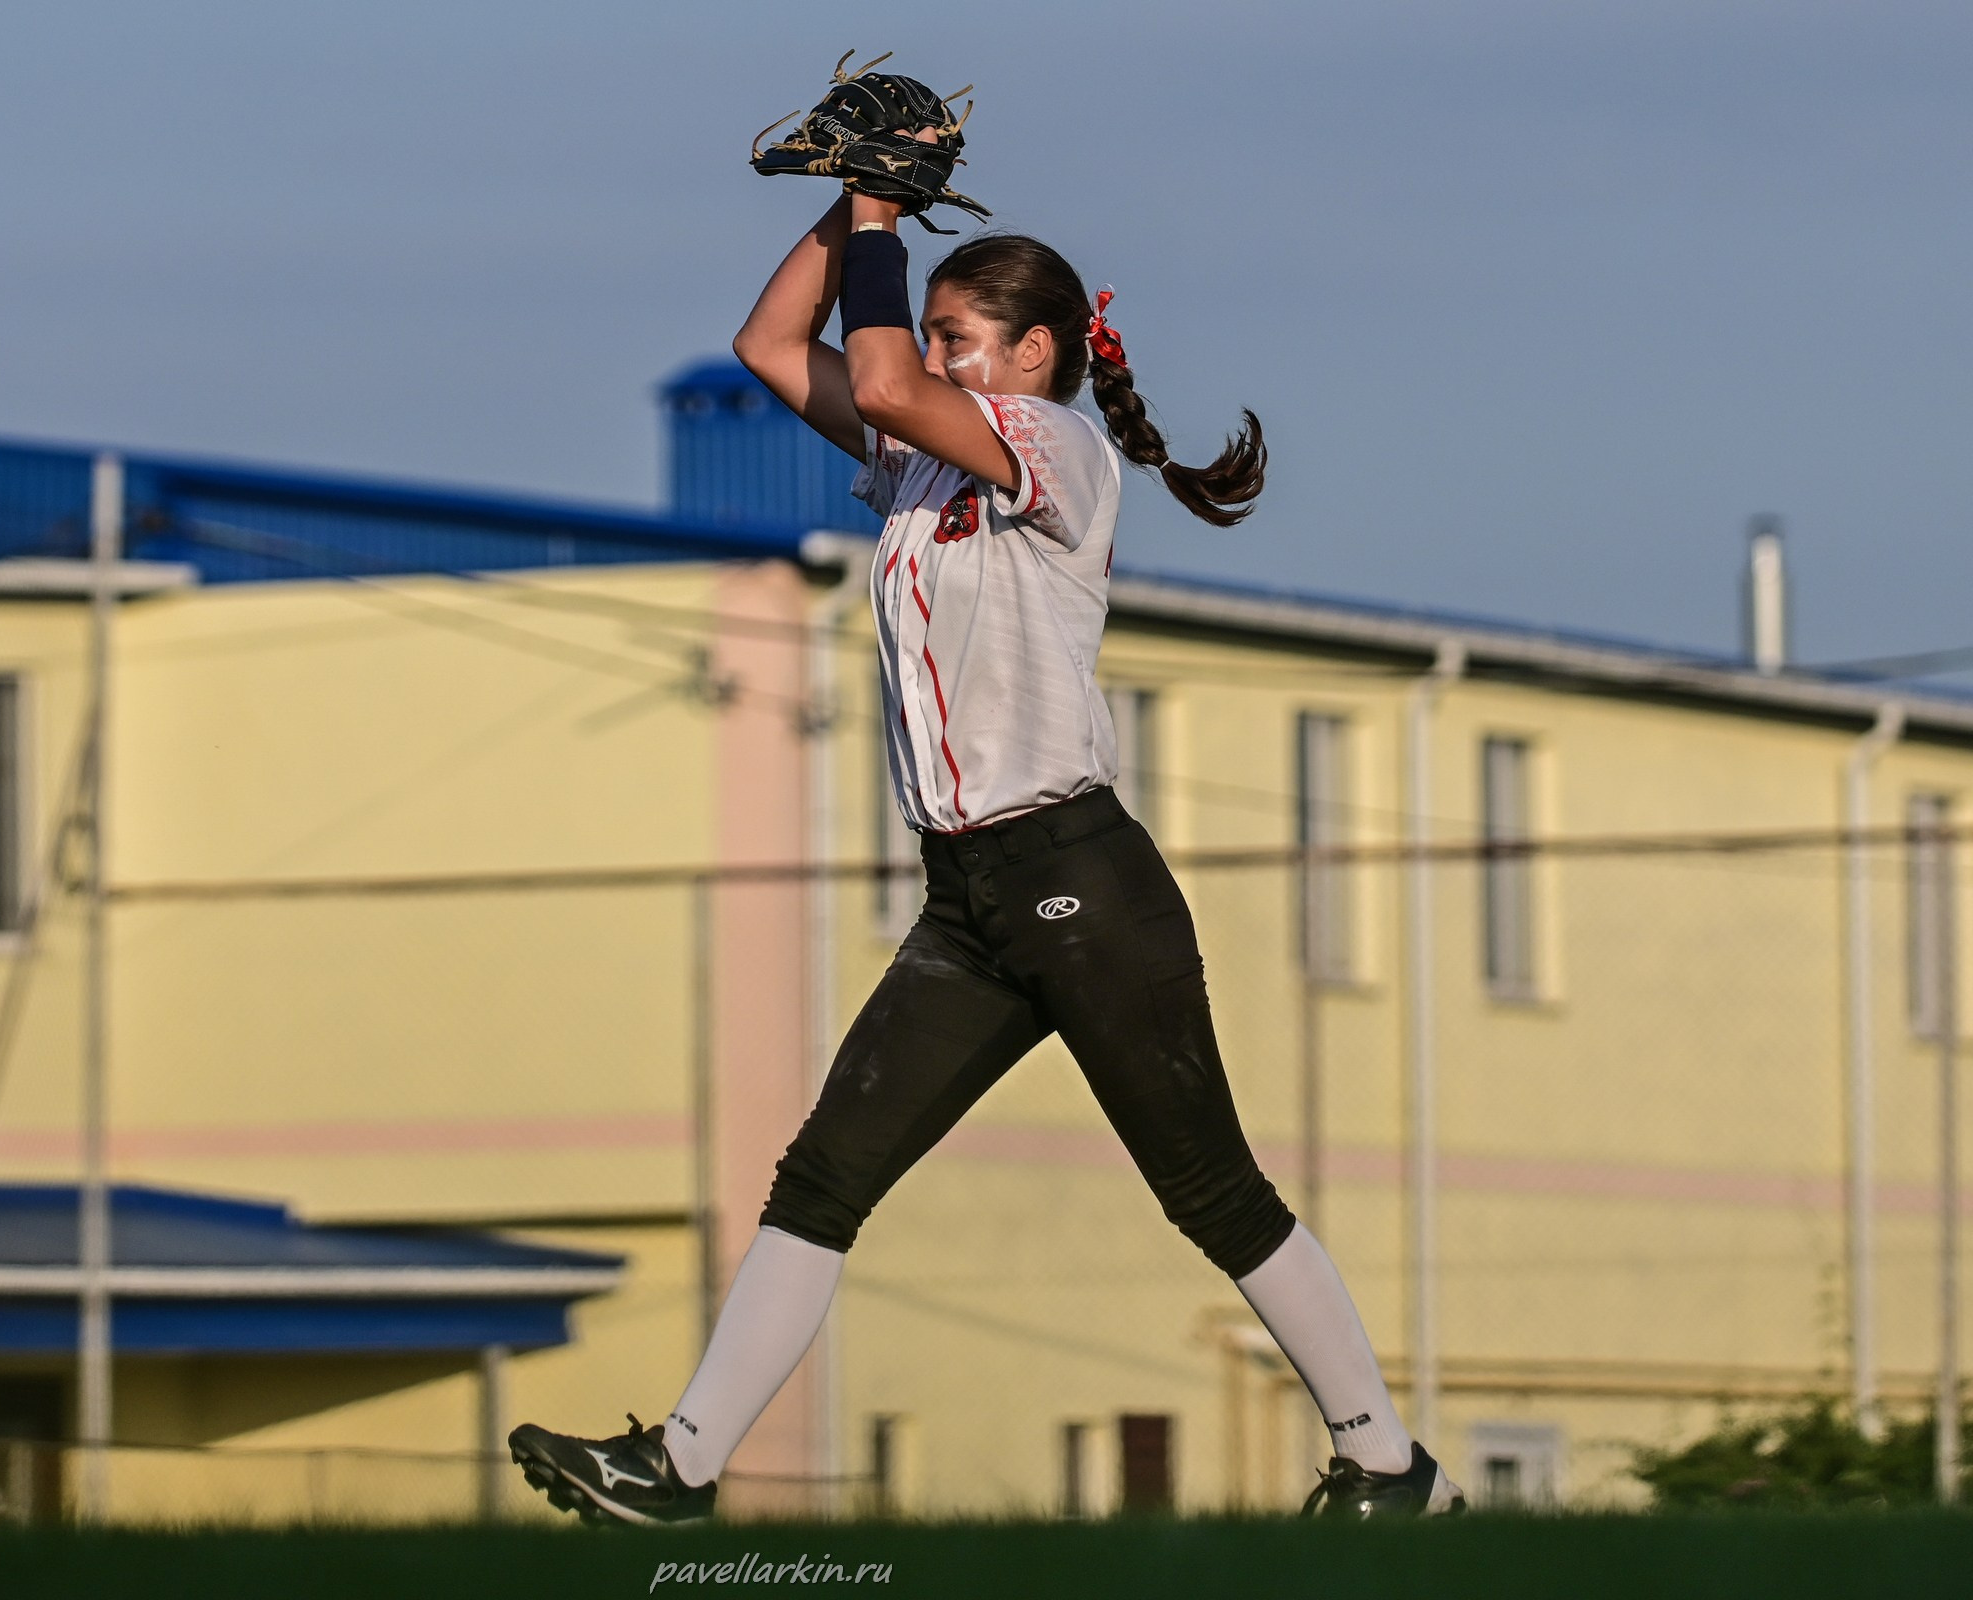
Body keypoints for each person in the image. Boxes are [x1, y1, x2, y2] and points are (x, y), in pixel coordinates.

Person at [508, 175, 1464, 1523]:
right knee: (824, 1177)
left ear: (1034, 354)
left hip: (1080, 878)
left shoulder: (1060, 445)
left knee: (1209, 1188)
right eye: (939, 331)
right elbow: (772, 351)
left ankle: (1384, 1463)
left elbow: (891, 383)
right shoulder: (922, 455)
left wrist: (893, 228)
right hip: (969, 899)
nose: (937, 352)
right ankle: (680, 1468)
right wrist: (851, 208)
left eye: (967, 336)